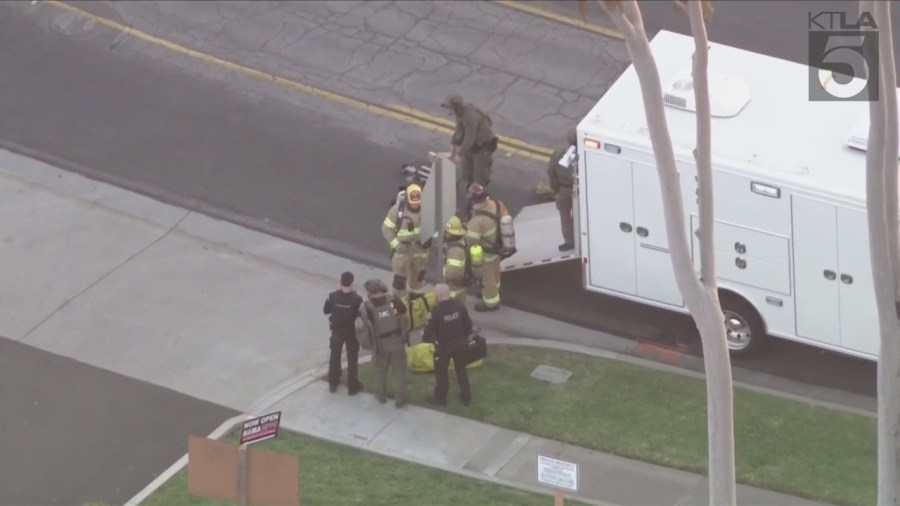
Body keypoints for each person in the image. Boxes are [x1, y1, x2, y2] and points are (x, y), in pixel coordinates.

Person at [422, 283, 474, 406]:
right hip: (460, 344)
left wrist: (427, 339)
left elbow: (429, 331)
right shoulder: (459, 305)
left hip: (444, 346)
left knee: (442, 372)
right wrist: (465, 337)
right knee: (461, 370)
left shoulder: (436, 311)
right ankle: (466, 397)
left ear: (439, 295)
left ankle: (440, 398)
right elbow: (468, 324)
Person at [363, 278, 410, 408]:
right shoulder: (393, 299)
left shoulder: (368, 306)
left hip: (380, 344)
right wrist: (403, 333)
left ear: (369, 292)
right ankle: (400, 399)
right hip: (396, 341)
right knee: (399, 372)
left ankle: (380, 395)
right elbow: (405, 315)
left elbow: (365, 327)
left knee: (380, 371)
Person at [382, 183, 433, 301]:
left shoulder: (428, 209)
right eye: (413, 203)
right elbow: (386, 228)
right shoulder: (397, 211)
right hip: (402, 251)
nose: (416, 206)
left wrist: (430, 241)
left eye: (418, 203)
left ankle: (416, 299)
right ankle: (401, 303)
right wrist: (396, 244)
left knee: (418, 276)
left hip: (420, 250)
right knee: (399, 280)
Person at [464, 183, 507, 312]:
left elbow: (471, 242)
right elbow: (505, 216)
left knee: (487, 277)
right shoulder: (496, 204)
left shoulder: (476, 220)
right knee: (495, 272)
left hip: (487, 251)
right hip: (499, 246)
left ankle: (491, 302)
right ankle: (495, 290)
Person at [441, 93, 498, 188]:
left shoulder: (470, 116)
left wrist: (460, 153)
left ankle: (480, 195)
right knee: (467, 172)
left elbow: (469, 137)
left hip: (482, 148)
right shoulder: (460, 113)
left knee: (479, 176)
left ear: (456, 107)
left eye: (450, 108)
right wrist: (454, 144)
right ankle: (470, 190)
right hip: (471, 147)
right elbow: (459, 130)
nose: (449, 111)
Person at [323, 271, 365, 394]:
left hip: (336, 331)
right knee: (352, 359)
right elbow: (360, 315)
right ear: (352, 283)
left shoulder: (332, 296)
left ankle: (333, 383)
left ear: (340, 282)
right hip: (351, 332)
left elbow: (326, 311)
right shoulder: (357, 299)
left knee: (334, 357)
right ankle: (352, 387)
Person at [547, 128, 577, 251]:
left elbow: (551, 172)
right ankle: (581, 238)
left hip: (564, 190)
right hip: (579, 190)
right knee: (580, 216)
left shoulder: (559, 154)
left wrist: (555, 189)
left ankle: (569, 242)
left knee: (565, 218)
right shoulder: (584, 154)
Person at [442, 216, 469, 302]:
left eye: (447, 232)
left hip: (453, 288)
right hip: (459, 286)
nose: (445, 234)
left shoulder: (455, 250)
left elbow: (452, 272)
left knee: (452, 308)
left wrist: (444, 277)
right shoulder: (460, 241)